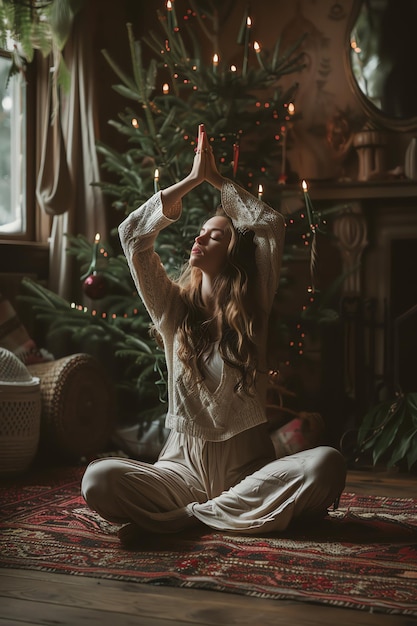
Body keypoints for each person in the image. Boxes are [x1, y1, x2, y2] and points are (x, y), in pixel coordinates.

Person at [81, 124, 346, 544]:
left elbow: (270, 225)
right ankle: (221, 516)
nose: (200, 236)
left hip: (249, 475)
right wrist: (190, 180)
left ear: (233, 252)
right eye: (200, 231)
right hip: (179, 473)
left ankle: (190, 520)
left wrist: (217, 179)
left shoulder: (255, 306)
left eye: (216, 234)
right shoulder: (171, 310)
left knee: (326, 465)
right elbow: (133, 236)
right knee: (97, 479)